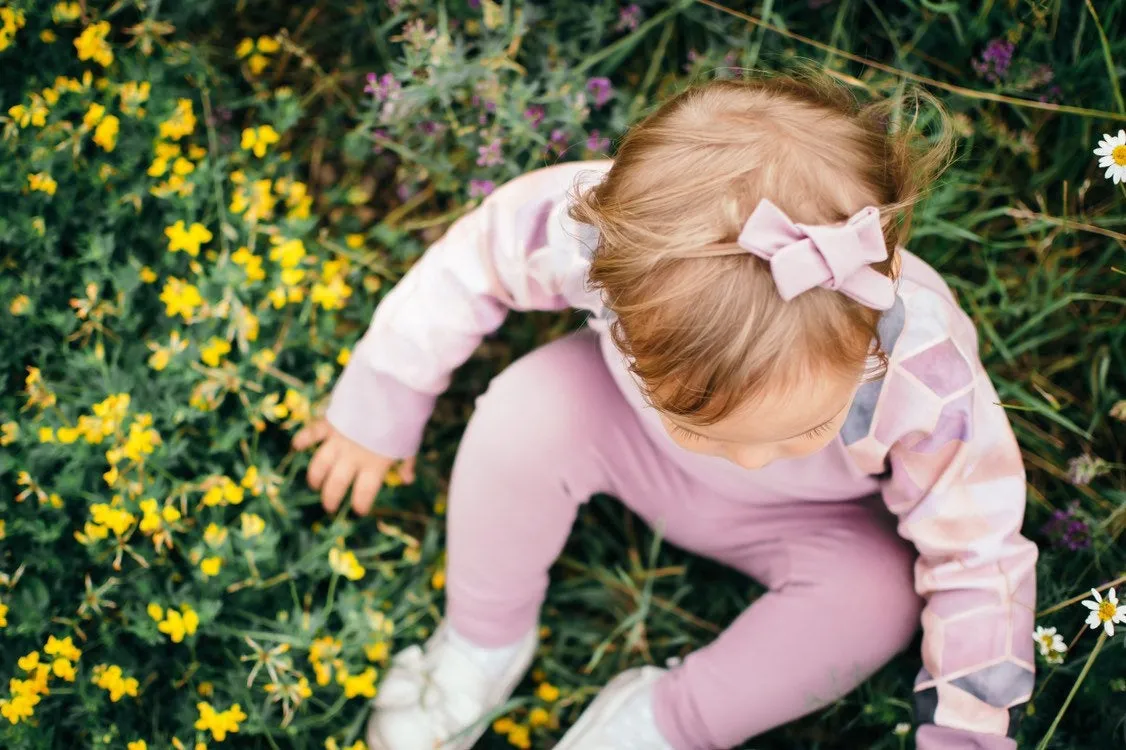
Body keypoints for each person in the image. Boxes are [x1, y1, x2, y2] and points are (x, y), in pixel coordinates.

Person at [293, 73, 1038, 750]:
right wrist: (379, 402)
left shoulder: (923, 374)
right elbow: (477, 260)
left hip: (817, 523)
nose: (744, 454)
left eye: (804, 428)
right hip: (624, 436)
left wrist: (965, 739)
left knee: (877, 599)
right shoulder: (603, 241)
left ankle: (666, 723)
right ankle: (481, 640)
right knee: (525, 409)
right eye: (701, 423)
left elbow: (981, 560)